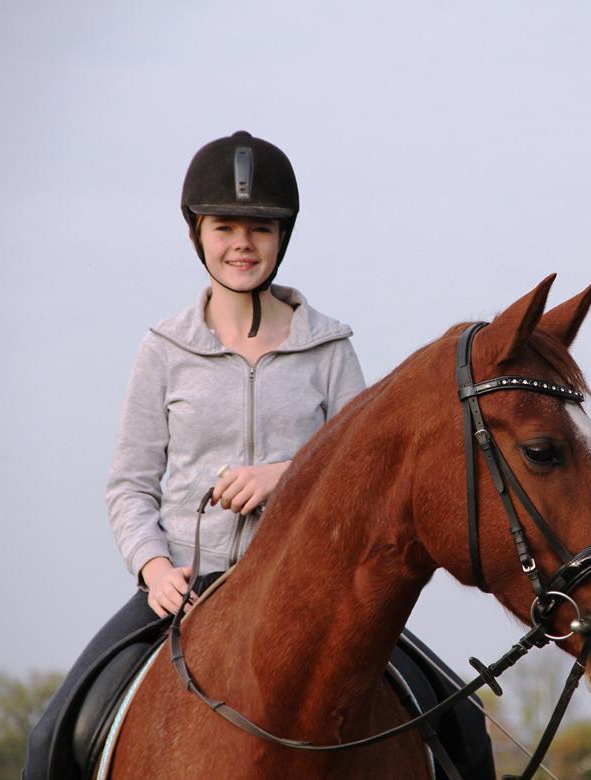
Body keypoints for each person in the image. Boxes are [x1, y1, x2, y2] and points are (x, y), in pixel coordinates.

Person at [24, 130, 365, 778]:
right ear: (197, 234)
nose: (243, 243)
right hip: (183, 591)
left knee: (458, 727)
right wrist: (154, 569)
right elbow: (129, 485)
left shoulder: (332, 351)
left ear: (283, 235)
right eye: (226, 226)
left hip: (309, 589)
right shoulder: (163, 349)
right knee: (48, 743)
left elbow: (365, 477)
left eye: (261, 227)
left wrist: (288, 475)